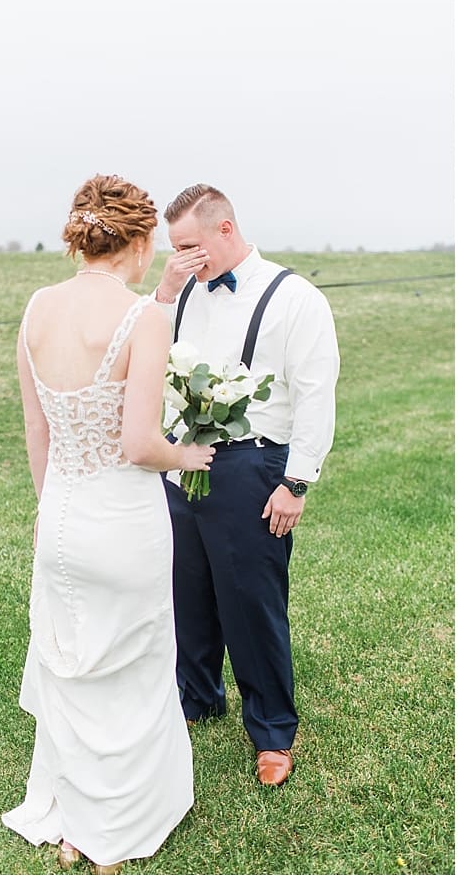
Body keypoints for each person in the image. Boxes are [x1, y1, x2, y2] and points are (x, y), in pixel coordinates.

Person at [2, 175, 214, 873]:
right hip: (124, 520)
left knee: (75, 665)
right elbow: (139, 444)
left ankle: (73, 814)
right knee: (134, 665)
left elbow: (38, 431)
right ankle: (112, 828)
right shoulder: (142, 318)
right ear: (143, 240)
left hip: (61, 515)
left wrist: (46, 504)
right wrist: (192, 453)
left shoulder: (36, 308)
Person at [154, 184, 339, 787]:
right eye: (173, 248)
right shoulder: (183, 294)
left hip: (255, 466)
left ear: (225, 229)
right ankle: (197, 698)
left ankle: (272, 730)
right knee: (189, 593)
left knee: (251, 603)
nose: (182, 258)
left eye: (189, 246)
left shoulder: (296, 298)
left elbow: (315, 396)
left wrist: (296, 483)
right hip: (184, 461)